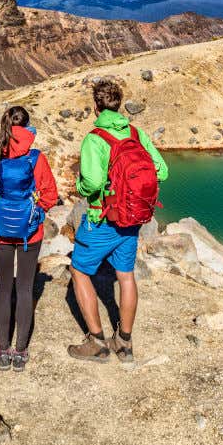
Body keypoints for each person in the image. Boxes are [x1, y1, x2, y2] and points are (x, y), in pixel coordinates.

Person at [67, 80, 168, 363]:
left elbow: (94, 182)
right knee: (125, 276)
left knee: (79, 271)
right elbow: (162, 171)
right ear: (119, 103)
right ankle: (124, 343)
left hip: (103, 219)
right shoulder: (136, 133)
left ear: (96, 106)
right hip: (133, 220)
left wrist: (83, 187)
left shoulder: (95, 138)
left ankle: (97, 342)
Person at [0, 105, 59, 372]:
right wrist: (34, 211)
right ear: (28, 127)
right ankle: (21, 351)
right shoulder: (36, 158)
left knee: (4, 287)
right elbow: (50, 195)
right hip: (30, 233)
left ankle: (3, 350)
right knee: (24, 288)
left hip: (2, 231)